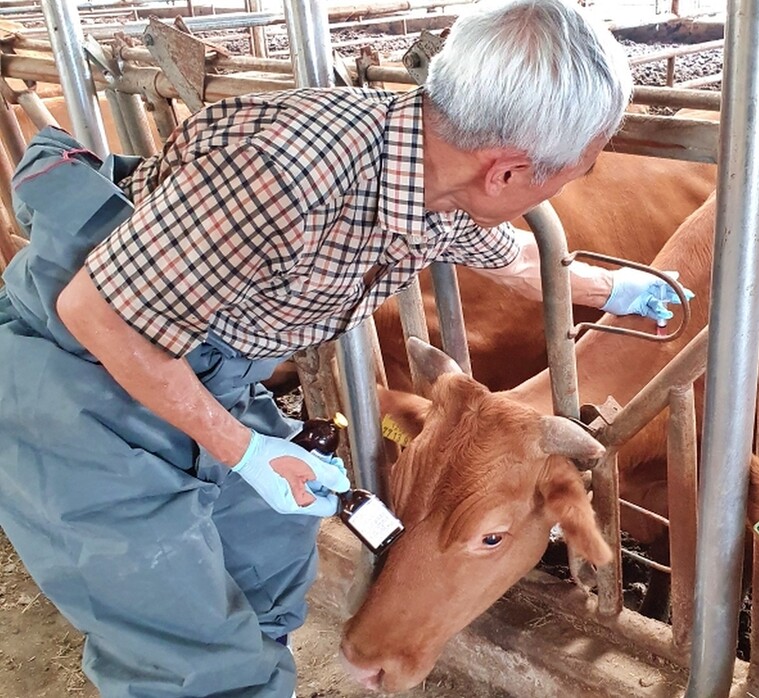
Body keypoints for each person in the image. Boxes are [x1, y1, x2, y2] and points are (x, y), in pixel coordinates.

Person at [0, 0, 692, 695]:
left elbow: (503, 255)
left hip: (202, 358)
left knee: (269, 559)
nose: (577, 181)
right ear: (507, 173)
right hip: (77, 382)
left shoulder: (430, 166)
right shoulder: (286, 175)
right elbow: (97, 315)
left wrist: (616, 290)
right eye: (578, 170)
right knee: (190, 656)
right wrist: (242, 449)